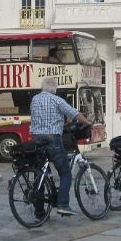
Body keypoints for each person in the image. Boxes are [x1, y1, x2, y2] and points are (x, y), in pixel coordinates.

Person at [30, 77, 90, 217]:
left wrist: (61, 123)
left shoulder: (35, 99)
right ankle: (63, 204)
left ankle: (39, 211)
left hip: (37, 139)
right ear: (54, 88)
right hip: (52, 139)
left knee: (41, 173)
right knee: (65, 173)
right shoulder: (57, 100)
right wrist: (87, 122)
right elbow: (75, 114)